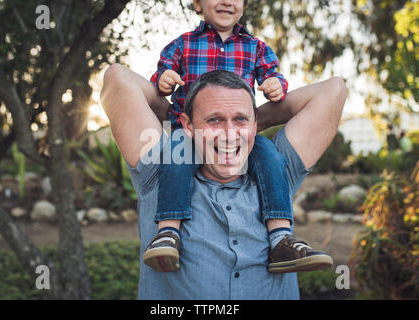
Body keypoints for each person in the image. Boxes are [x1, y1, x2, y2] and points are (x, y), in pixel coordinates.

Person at [100, 68, 346, 299]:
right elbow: (117, 79)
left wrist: (256, 122)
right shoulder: (160, 172)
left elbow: (333, 90)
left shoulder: (277, 172)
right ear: (189, 126)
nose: (229, 133)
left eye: (240, 120)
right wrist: (174, 115)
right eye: (214, 120)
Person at [142, 0, 332, 273]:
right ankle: (168, 233)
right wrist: (164, 78)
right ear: (197, 4)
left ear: (244, 5)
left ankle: (280, 238)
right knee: (176, 157)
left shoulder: (256, 47)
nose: (226, 1)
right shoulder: (183, 43)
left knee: (271, 158)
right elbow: (163, 71)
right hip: (192, 133)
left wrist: (275, 84)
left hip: (239, 138)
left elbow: (273, 74)